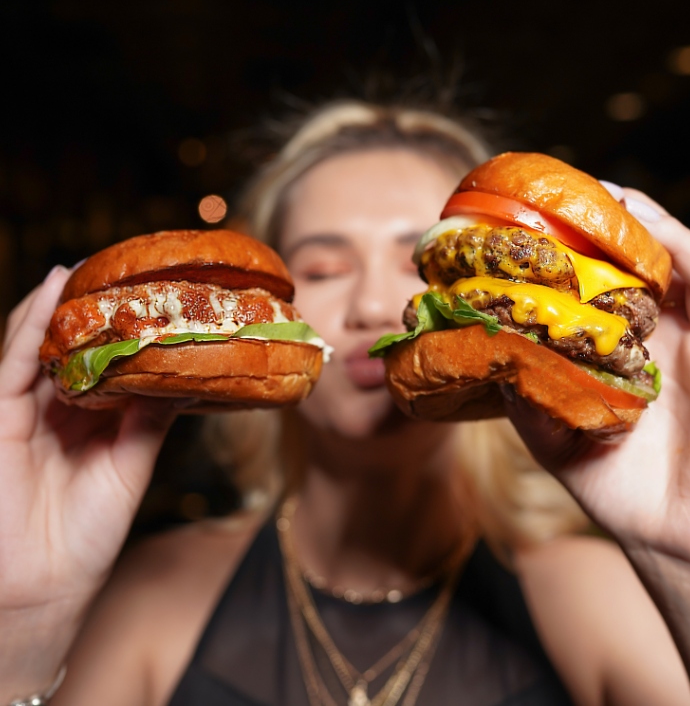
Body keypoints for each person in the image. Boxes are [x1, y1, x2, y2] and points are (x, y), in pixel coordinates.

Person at [2, 99, 690, 706]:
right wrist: (24, 623)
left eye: (418, 259)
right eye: (325, 268)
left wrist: (676, 551)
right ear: (268, 303)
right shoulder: (152, 591)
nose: (367, 305)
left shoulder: (602, 594)